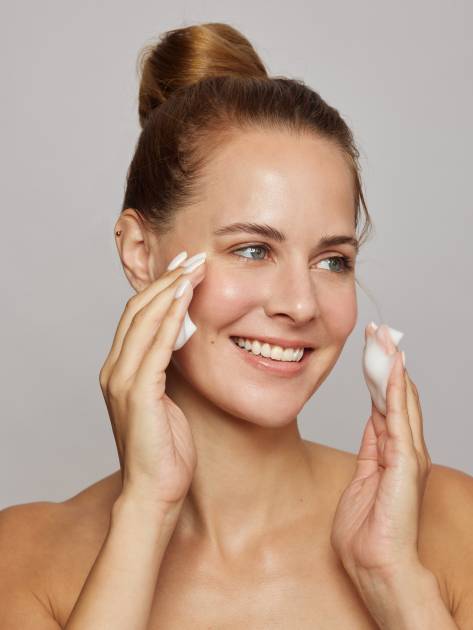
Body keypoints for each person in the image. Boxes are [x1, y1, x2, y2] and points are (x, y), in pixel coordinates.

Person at [1, 21, 472, 629]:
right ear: (141, 252)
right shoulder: (25, 559)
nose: (300, 305)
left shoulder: (453, 526)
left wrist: (394, 579)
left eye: (333, 261)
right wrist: (144, 514)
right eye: (252, 249)